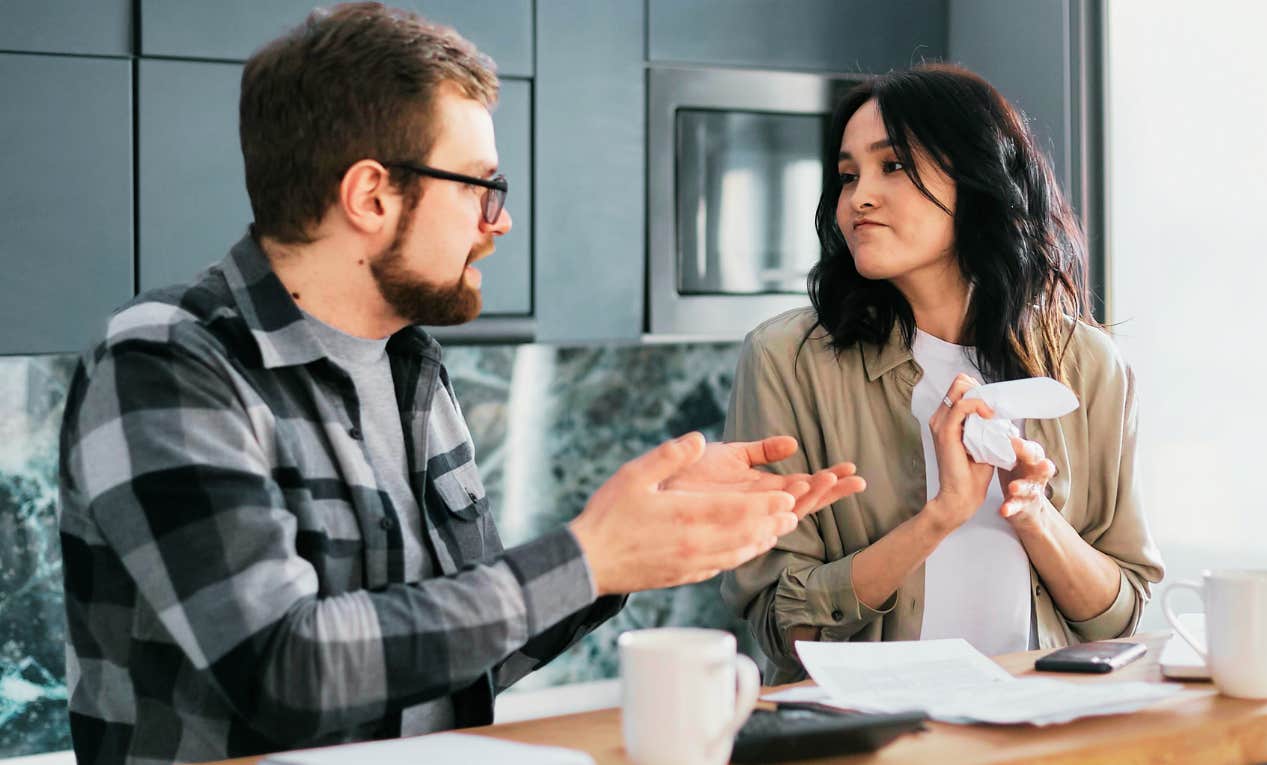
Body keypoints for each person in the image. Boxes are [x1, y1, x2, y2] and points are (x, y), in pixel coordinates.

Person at [57, 5, 864, 764]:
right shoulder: (167, 364)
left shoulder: (413, 367)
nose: (498, 221)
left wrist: (638, 547)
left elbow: (451, 646)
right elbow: (282, 667)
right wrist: (588, 556)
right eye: (481, 186)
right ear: (372, 195)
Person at [720, 64, 1165, 683]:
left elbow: (1121, 618)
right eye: (848, 176)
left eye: (892, 165)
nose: (859, 198)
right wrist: (943, 512)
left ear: (977, 177)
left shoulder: (1088, 364)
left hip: (1043, 728)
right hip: (868, 735)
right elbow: (781, 627)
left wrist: (1031, 509)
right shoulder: (786, 360)